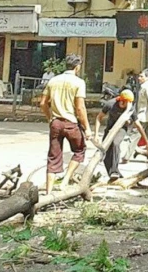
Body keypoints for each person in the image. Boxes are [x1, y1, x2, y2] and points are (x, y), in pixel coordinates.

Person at [39, 54, 91, 195]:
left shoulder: (53, 81)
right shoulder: (79, 82)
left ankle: (48, 193)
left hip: (55, 123)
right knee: (80, 150)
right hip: (71, 123)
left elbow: (43, 103)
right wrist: (87, 129)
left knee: (53, 156)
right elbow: (80, 108)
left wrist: (50, 118)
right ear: (77, 67)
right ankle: (65, 181)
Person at [94, 88, 148, 183]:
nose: (128, 105)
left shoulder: (131, 108)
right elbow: (99, 117)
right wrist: (96, 134)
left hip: (121, 129)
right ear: (121, 100)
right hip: (110, 129)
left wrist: (147, 142)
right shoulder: (110, 104)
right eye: (127, 102)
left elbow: (138, 125)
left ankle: (114, 171)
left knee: (115, 143)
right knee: (105, 153)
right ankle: (114, 175)